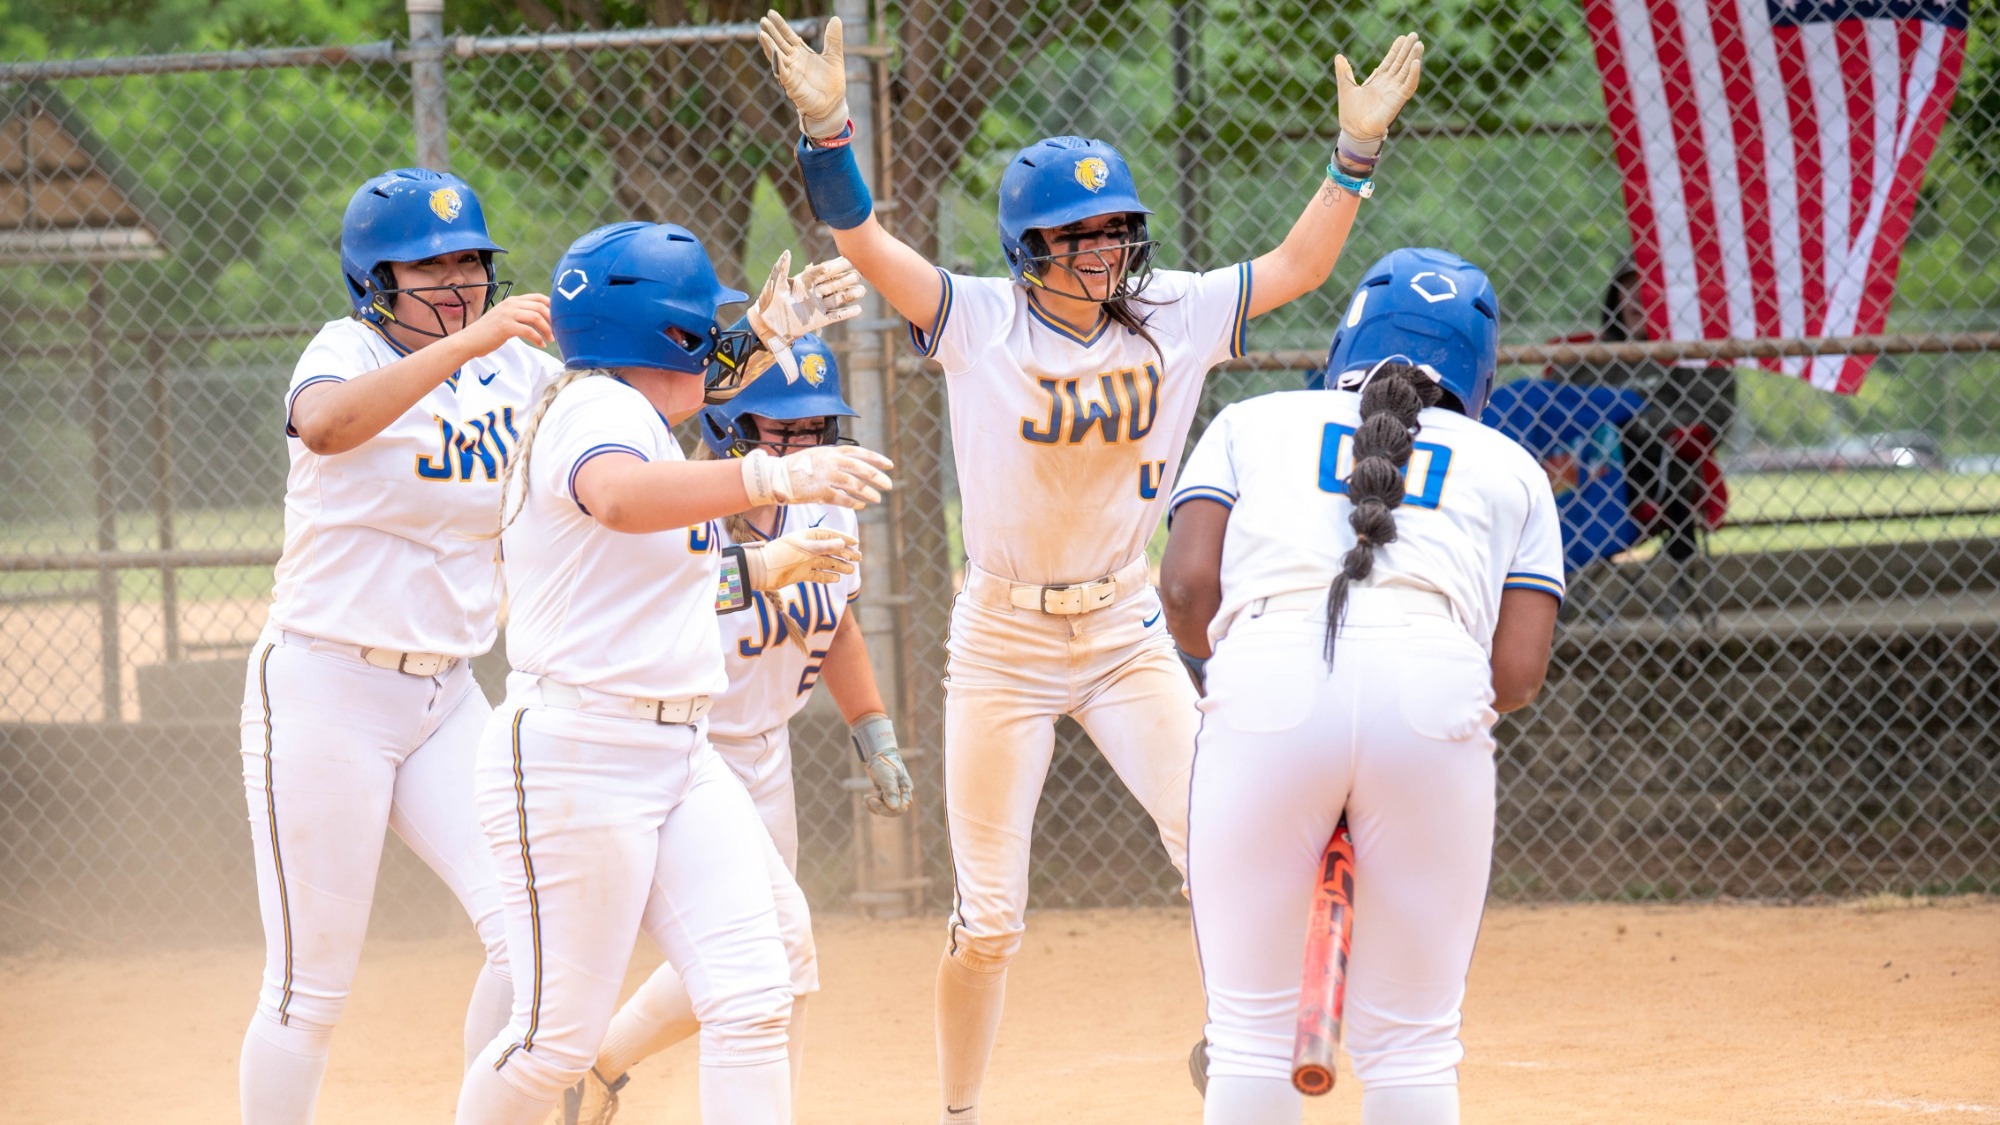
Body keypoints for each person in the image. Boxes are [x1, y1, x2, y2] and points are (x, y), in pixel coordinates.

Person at [757, 12, 1425, 1122]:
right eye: (1081, 233)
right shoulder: (978, 320)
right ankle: (959, 1110)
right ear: (1031, 249)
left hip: (1122, 628)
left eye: (1117, 227)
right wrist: (827, 128)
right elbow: (866, 246)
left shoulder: (1171, 310)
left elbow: (1303, 263)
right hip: (1004, 642)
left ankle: (1239, 1044)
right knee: (990, 923)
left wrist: (1351, 154)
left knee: (1218, 842)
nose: (1108, 248)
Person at [453, 220, 893, 1125]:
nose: (717, 342)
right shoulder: (594, 412)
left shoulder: (633, 408)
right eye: (702, 325)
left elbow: (686, 410)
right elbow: (616, 495)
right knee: (551, 1044)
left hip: (677, 753)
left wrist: (768, 336)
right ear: (663, 335)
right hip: (581, 751)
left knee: (753, 990)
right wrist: (771, 475)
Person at [1160, 248, 1564, 1125]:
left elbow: (1188, 595)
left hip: (1265, 681)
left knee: (1249, 1034)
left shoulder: (1253, 421)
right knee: (1414, 1043)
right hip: (1433, 692)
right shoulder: (1513, 467)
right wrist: (1382, 749)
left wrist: (1288, 732)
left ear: (1347, 340)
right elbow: (1517, 673)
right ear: (1481, 369)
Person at [240, 166, 560, 1124]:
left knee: (531, 939)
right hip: (324, 687)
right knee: (309, 988)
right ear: (375, 282)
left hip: (447, 697)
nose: (458, 279)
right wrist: (467, 341)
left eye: (470, 260)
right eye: (427, 266)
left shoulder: (517, 365)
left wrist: (746, 348)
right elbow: (326, 424)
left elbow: (627, 410)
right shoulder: (344, 348)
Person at [555, 334, 914, 1124]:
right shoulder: (681, 498)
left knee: (749, 952)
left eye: (817, 429)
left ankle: (602, 1062)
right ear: (729, 427)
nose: (804, 445)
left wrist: (873, 728)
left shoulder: (822, 501)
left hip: (766, 754)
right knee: (781, 953)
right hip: (682, 755)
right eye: (781, 430)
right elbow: (669, 586)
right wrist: (764, 564)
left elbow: (840, 621)